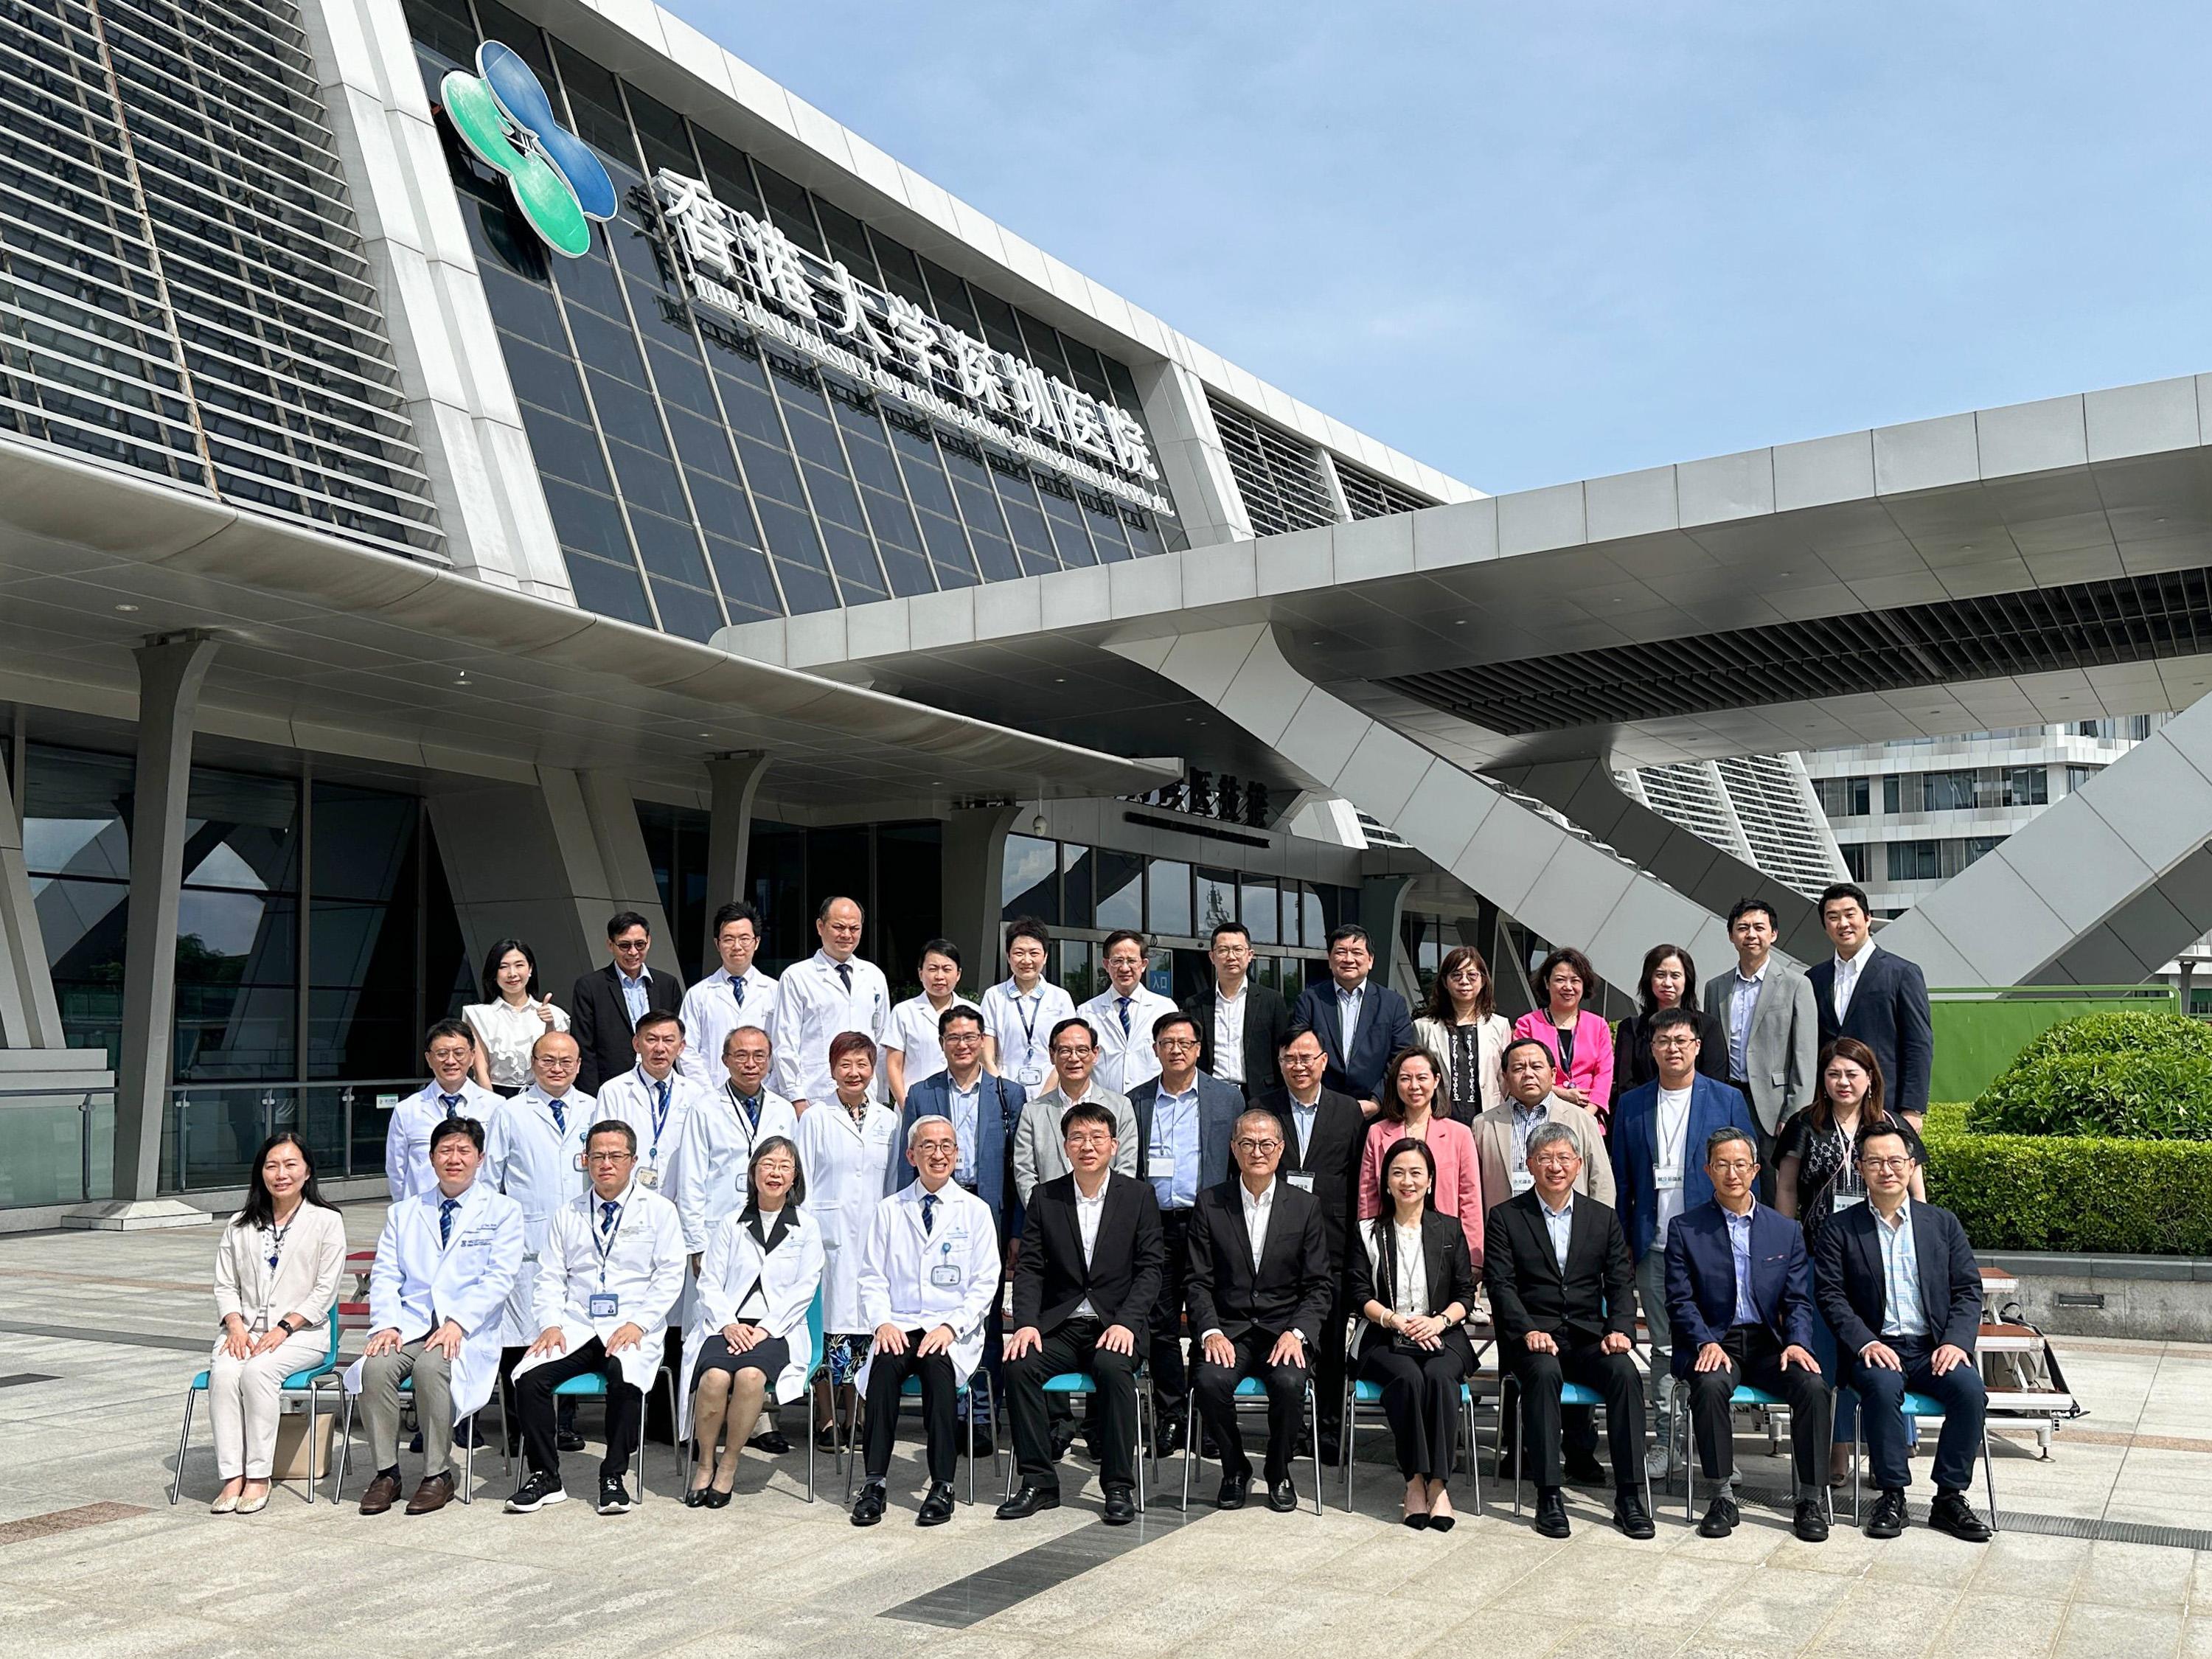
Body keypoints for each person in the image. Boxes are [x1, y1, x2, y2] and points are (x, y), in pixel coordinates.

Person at [1811, 1124, 1992, 1543]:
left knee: (1969, 1390)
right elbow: (1831, 1296)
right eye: (1875, 1162)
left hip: (1933, 1348)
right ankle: (1892, 1494)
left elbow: (1968, 1290)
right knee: (1880, 1384)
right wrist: (1865, 1341)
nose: (1886, 1170)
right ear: (1861, 1169)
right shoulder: (1840, 1228)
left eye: (1895, 1161)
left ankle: (1949, 1498)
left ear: (1912, 1166)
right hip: (1876, 1347)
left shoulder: (1941, 1224)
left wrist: (1955, 1342)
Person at [506, 1120, 686, 1516]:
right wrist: (550, 1323)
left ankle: (613, 1475)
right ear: (586, 1160)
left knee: (625, 1379)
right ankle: (546, 1475)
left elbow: (671, 1275)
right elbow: (550, 1275)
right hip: (575, 1325)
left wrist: (639, 1323)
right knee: (529, 1379)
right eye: (598, 1156)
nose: (606, 1164)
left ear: (633, 1161)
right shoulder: (568, 1213)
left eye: (616, 1156)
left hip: (631, 1324)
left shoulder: (660, 1211)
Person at [998, 1099, 1166, 1525]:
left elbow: (1150, 1269)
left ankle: (1117, 1486)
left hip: (1115, 1325)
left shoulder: (1138, 1196)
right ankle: (1039, 1481)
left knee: (1112, 1370)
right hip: (1060, 1324)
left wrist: (1128, 1322)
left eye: (1096, 1137)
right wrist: (1026, 1325)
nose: (1086, 1145)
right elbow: (1031, 1267)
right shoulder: (1045, 1197)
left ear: (1113, 1144)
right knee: (1019, 1367)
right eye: (1077, 1137)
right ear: (1065, 1146)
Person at [1608, 1006, 1759, 1478]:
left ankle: (1715, 1448)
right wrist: (1623, 1239)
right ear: (1651, 1049)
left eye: (1682, 1040)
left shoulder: (1728, 1099)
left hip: (1713, 1243)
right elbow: (1621, 1180)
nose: (1673, 1048)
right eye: (1663, 1041)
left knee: (1716, 1343)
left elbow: (1747, 1171)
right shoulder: (1632, 1104)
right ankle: (1667, 1442)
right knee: (1664, 1347)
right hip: (1653, 1244)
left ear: (1697, 1046)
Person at [1483, 1121, 1652, 1540]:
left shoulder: (1603, 1218)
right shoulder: (1506, 1217)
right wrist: (1526, 1330)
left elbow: (1618, 1283)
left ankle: (1629, 1495)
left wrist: (1619, 1329)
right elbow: (1500, 1285)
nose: (1554, 1167)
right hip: (1534, 1338)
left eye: (1563, 1158)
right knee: (1541, 1375)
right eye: (1545, 1158)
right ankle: (1549, 1493)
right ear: (1529, 1164)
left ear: (1578, 1165)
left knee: (1626, 1375)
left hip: (1588, 1336)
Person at [1664, 1127, 1832, 1543]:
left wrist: (1796, 1342)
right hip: (1714, 1342)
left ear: (1756, 1170)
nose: (1732, 1173)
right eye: (1722, 1165)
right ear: (1708, 1171)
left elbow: (1796, 1301)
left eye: (1741, 1164)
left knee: (1812, 1386)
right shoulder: (1686, 1229)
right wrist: (1705, 1341)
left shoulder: (1784, 1230)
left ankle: (1809, 1499)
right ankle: (1721, 1495)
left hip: (1768, 1343)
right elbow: (1679, 1300)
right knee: (1709, 1384)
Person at [352, 1117, 525, 1515]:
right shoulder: (405, 1212)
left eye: (464, 1150)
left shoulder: (502, 1210)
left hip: (465, 1329)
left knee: (433, 1368)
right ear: (431, 1159)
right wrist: (387, 1325)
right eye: (445, 1151)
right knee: (374, 1368)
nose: (454, 1158)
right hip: (411, 1323)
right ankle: (387, 1473)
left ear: (480, 1158)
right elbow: (386, 1275)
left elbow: (500, 1278)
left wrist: (458, 1321)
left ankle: (437, 1474)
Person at [1776, 1040, 1930, 1484]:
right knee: (1827, 1358)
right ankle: (1836, 1446)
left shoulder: (1892, 1126)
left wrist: (1922, 1243)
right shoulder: (1806, 1124)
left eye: (1852, 1074)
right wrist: (1787, 1248)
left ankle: (1890, 1452)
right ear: (1823, 1079)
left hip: (1882, 1259)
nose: (1843, 1083)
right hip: (1819, 1257)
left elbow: (1916, 1191)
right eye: (1833, 1074)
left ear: (1870, 1079)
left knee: (1887, 1349)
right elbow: (1787, 1190)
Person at [849, 1116, 1001, 1527]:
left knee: (938, 1371)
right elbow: (872, 1277)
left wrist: (951, 1327)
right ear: (911, 1155)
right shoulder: (889, 1210)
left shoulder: (976, 1211)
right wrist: (882, 1323)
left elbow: (986, 1282)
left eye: (947, 1146)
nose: (939, 1154)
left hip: (948, 1329)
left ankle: (942, 1485)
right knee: (883, 1369)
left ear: (957, 1155)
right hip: (899, 1323)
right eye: (928, 1146)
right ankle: (875, 1482)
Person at [1186, 1107, 1334, 1513]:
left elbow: (1320, 1284)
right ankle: (1234, 1469)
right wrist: (1210, 1331)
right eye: (1248, 1143)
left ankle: (1278, 1468)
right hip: (1227, 1330)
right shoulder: (1210, 1203)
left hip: (1281, 1331)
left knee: (1289, 1384)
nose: (1257, 1151)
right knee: (1211, 1382)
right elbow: (1197, 1281)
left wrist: (1298, 1333)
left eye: (1267, 1143)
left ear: (1281, 1148)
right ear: (1234, 1149)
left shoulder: (1304, 1207)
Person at [892, 1005, 1026, 1454]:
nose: (963, 1045)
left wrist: (1017, 1231)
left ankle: (983, 1417)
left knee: (984, 1317)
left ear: (983, 1039)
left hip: (987, 1211)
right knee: (935, 1310)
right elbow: (903, 1165)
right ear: (941, 1042)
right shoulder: (921, 1093)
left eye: (971, 1036)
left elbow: (1016, 1171)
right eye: (953, 1038)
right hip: (933, 1206)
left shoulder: (1010, 1094)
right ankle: (947, 1412)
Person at [205, 1131, 346, 1514]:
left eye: (290, 1165)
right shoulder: (239, 1224)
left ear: (307, 1172)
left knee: (258, 1373)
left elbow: (325, 1290)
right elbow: (224, 1284)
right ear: (260, 1173)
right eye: (271, 1165)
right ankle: (231, 1475)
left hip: (302, 1334)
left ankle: (258, 1475)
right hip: (243, 1331)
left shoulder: (327, 1221)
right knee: (224, 1373)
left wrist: (283, 1328)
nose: (280, 1174)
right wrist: (235, 1325)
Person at [678, 1136, 823, 1506]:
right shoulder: (731, 1223)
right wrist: (729, 1323)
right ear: (753, 1173)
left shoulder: (806, 1227)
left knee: (750, 1376)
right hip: (727, 1323)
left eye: (784, 1166)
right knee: (713, 1377)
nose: (775, 1173)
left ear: (795, 1179)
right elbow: (709, 1279)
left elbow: (805, 1288)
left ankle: (728, 1464)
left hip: (777, 1327)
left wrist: (766, 1329)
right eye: (767, 1165)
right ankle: (705, 1463)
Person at [1124, 1010, 1242, 1453]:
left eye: (1185, 1043)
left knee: (1215, 1317)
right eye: (1167, 1043)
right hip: (1155, 1224)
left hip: (1209, 1222)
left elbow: (1237, 1162)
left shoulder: (1226, 1098)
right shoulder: (1136, 1101)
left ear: (1199, 1049)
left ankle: (1209, 1416)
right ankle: (1172, 1413)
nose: (1176, 1049)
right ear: (1155, 1050)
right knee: (1161, 1322)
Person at [1347, 1137, 1478, 1529]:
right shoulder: (1367, 1231)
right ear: (1386, 1181)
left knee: (1439, 1378)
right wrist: (1395, 1320)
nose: (1407, 1181)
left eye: (1416, 1173)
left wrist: (1438, 1322)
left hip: (1442, 1331)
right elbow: (1357, 1294)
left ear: (1431, 1180)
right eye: (1398, 1173)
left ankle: (1438, 1484)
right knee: (1407, 1379)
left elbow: (1464, 1294)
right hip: (1384, 1332)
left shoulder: (1449, 1230)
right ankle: (1413, 1482)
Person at [1251, 1025, 1366, 1461]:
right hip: (1275, 1241)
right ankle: (1290, 1427)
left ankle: (1330, 1432)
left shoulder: (1347, 1111)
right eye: (1290, 1059)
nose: (1299, 1066)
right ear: (1279, 1064)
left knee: (1331, 1342)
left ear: (1323, 1062)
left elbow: (1357, 1180)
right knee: (1285, 1334)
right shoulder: (1262, 1108)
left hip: (1332, 1241)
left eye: (1307, 1058)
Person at [484, 1031, 595, 1454]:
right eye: (548, 1060)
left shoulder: (593, 1108)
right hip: (527, 1240)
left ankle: (563, 1422)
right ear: (533, 1063)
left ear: (579, 1065)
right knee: (524, 1335)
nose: (558, 1068)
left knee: (571, 1332)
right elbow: (492, 1179)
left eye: (567, 1061)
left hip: (581, 1236)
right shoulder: (510, 1113)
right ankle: (520, 1426)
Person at [793, 1031, 901, 1450]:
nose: (854, 1073)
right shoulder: (816, 1119)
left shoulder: (888, 1120)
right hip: (827, 1236)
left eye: (862, 1065)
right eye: (845, 1065)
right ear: (832, 1069)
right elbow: (801, 1181)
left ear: (873, 1070)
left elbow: (892, 1182)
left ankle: (856, 1415)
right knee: (828, 1326)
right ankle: (825, 1417)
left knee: (863, 1327)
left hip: (874, 1233)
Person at [1704, 897, 1820, 1186]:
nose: (1751, 934)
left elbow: (1805, 1056)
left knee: (1771, 1183)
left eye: (1759, 927)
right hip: (1728, 1096)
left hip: (1772, 1104)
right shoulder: (1715, 987)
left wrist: (1793, 1114)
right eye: (1743, 928)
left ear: (1773, 934)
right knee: (1725, 1175)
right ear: (1731, 935)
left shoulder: (1796, 985)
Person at [1805, 883, 1934, 1127]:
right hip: (1827, 1107)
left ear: (1867, 918)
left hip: (1885, 1104)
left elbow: (1918, 1043)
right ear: (1825, 927)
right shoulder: (1813, 978)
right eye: (1833, 917)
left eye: (1850, 914)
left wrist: (1913, 1108)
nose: (1843, 924)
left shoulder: (1902, 973)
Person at [676, 1025, 800, 1257]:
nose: (751, 1064)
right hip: (717, 1227)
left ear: (769, 1060)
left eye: (759, 1056)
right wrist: (696, 1245)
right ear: (725, 1060)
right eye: (741, 1056)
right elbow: (690, 1180)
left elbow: (793, 1174)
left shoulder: (783, 1110)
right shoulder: (704, 1109)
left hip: (772, 1224)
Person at [1357, 1046, 1483, 1267]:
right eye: (1405, 1078)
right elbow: (1368, 1195)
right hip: (1391, 1244)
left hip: (1446, 1245)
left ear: (1436, 1081)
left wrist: (1474, 1257)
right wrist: (1367, 1246)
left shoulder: (1460, 1134)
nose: (1414, 1086)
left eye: (1421, 1078)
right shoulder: (1377, 1133)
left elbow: (1470, 1197)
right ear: (1395, 1084)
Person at [775, 896, 891, 1111]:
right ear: (820, 926)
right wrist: (796, 1097)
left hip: (866, 1093)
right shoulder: (797, 976)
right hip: (815, 1093)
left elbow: (882, 1039)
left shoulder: (874, 976)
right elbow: (784, 1042)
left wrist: (882, 1094)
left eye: (854, 928)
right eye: (838, 927)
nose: (847, 935)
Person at [1472, 1039, 1614, 1213]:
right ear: (1505, 1077)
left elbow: (1602, 1182)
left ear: (1553, 1074)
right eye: (1518, 1068)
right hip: (1504, 1232)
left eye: (1537, 1067)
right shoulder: (1483, 1125)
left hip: (1569, 1228)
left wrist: (1598, 1230)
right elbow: (1473, 1189)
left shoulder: (1583, 1120)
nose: (1528, 1074)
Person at [1012, 1017, 1139, 1204]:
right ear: (1052, 1055)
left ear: (1095, 1054)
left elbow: (1126, 1168)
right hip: (1051, 1219)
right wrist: (1043, 1215)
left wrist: (1111, 1213)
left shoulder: (1121, 1107)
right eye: (1064, 1050)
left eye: (1082, 1050)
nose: (1074, 1058)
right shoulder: (1033, 1112)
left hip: (1107, 1218)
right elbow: (1024, 1172)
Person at [1293, 925, 1415, 1116]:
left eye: (1357, 952)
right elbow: (1300, 1052)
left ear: (1371, 960)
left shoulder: (1393, 1004)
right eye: (1341, 952)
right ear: (1330, 959)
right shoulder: (1309, 1001)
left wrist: (1377, 1100)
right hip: (1321, 1109)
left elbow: (1401, 1057)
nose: (1348, 959)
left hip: (1377, 1111)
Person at [596, 1011, 712, 1199]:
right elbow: (603, 1148)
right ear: (636, 1044)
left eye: (668, 1040)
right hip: (627, 1198)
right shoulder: (613, 1091)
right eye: (651, 1039)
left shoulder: (695, 1093)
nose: (660, 1048)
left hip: (679, 1198)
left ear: (681, 1047)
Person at [569, 910, 685, 1096]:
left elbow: (677, 1036)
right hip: (611, 1085)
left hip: (661, 1082)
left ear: (649, 942)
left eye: (640, 944)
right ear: (610, 945)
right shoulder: (590, 986)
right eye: (624, 945)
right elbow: (584, 1047)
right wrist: (592, 1095)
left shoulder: (667, 984)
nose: (633, 952)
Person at [385, 1020, 498, 1201]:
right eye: (442, 1054)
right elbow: (396, 1170)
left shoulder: (496, 1106)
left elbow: (499, 1165)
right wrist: (405, 1210)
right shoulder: (407, 1110)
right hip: (422, 1210)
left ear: (472, 1056)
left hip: (480, 1210)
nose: (451, 1061)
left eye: (459, 1053)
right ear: (429, 1059)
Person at [676, 901, 779, 1091]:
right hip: (713, 1093)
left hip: (766, 1092)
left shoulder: (776, 991)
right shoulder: (698, 994)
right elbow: (687, 1050)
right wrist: (708, 1093)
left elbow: (784, 1047)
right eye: (729, 939)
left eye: (744, 938)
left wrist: (769, 1089)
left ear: (756, 942)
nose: (737, 946)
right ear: (717, 943)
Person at [1185, 920, 1291, 1100]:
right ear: (1212, 957)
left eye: (1237, 949)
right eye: (1223, 950)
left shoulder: (1271, 1001)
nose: (1231, 956)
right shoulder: (1195, 1004)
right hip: (1210, 1093)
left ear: (1250, 955)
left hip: (1261, 1095)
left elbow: (1282, 1051)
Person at [1511, 947, 1615, 1127]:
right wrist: (1561, 1093)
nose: (1568, 987)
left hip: (1589, 1119)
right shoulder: (1527, 1024)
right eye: (1560, 980)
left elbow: (1604, 1075)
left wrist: (1586, 1115)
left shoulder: (1598, 1025)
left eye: (1575, 980)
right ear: (1547, 982)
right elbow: (1523, 1072)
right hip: (1540, 1116)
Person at [1611, 943, 1728, 1095]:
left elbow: (1715, 1081)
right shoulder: (1631, 1028)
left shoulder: (1708, 1026)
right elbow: (1625, 1084)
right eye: (1660, 975)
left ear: (1687, 980)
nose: (1667, 983)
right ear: (1649, 979)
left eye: (1675, 976)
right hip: (1643, 1112)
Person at [1413, 944, 1512, 1119]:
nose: (1464, 981)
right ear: (1445, 982)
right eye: (1456, 975)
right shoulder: (1424, 1027)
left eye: (1472, 975)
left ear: (1483, 981)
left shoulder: (1500, 1025)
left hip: (1489, 1117)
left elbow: (1505, 1077)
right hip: (1439, 1117)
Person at [463, 939, 568, 1096]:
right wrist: (492, 1105)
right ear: (494, 973)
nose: (512, 974)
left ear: (530, 969)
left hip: (544, 1096)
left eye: (519, 965)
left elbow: (558, 1063)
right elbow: (480, 1069)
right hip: (496, 1095)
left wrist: (550, 1026)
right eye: (503, 967)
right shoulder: (479, 1015)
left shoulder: (555, 1014)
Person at [1079, 930, 1178, 1096]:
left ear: (1144, 964)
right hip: (1103, 1106)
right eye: (1117, 961)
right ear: (1106, 964)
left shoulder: (1165, 1008)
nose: (1124, 968)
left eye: (1131, 961)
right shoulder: (1087, 1012)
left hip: (1151, 1103)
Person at [979, 916, 1074, 1088]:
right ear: (1008, 956)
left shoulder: (1060, 998)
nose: (1026, 960)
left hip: (1052, 1092)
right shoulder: (994, 996)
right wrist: (1004, 1091)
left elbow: (1067, 1052)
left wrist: (1046, 1095)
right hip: (1005, 1091)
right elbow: (986, 1056)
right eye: (1019, 952)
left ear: (1045, 957)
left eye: (1034, 953)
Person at [885, 938, 980, 1105]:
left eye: (947, 969)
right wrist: (905, 1105)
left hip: (965, 1101)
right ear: (921, 973)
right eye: (933, 969)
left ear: (958, 974)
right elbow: (893, 1065)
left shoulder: (973, 1012)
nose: (939, 976)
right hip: (917, 1102)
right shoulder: (904, 1012)